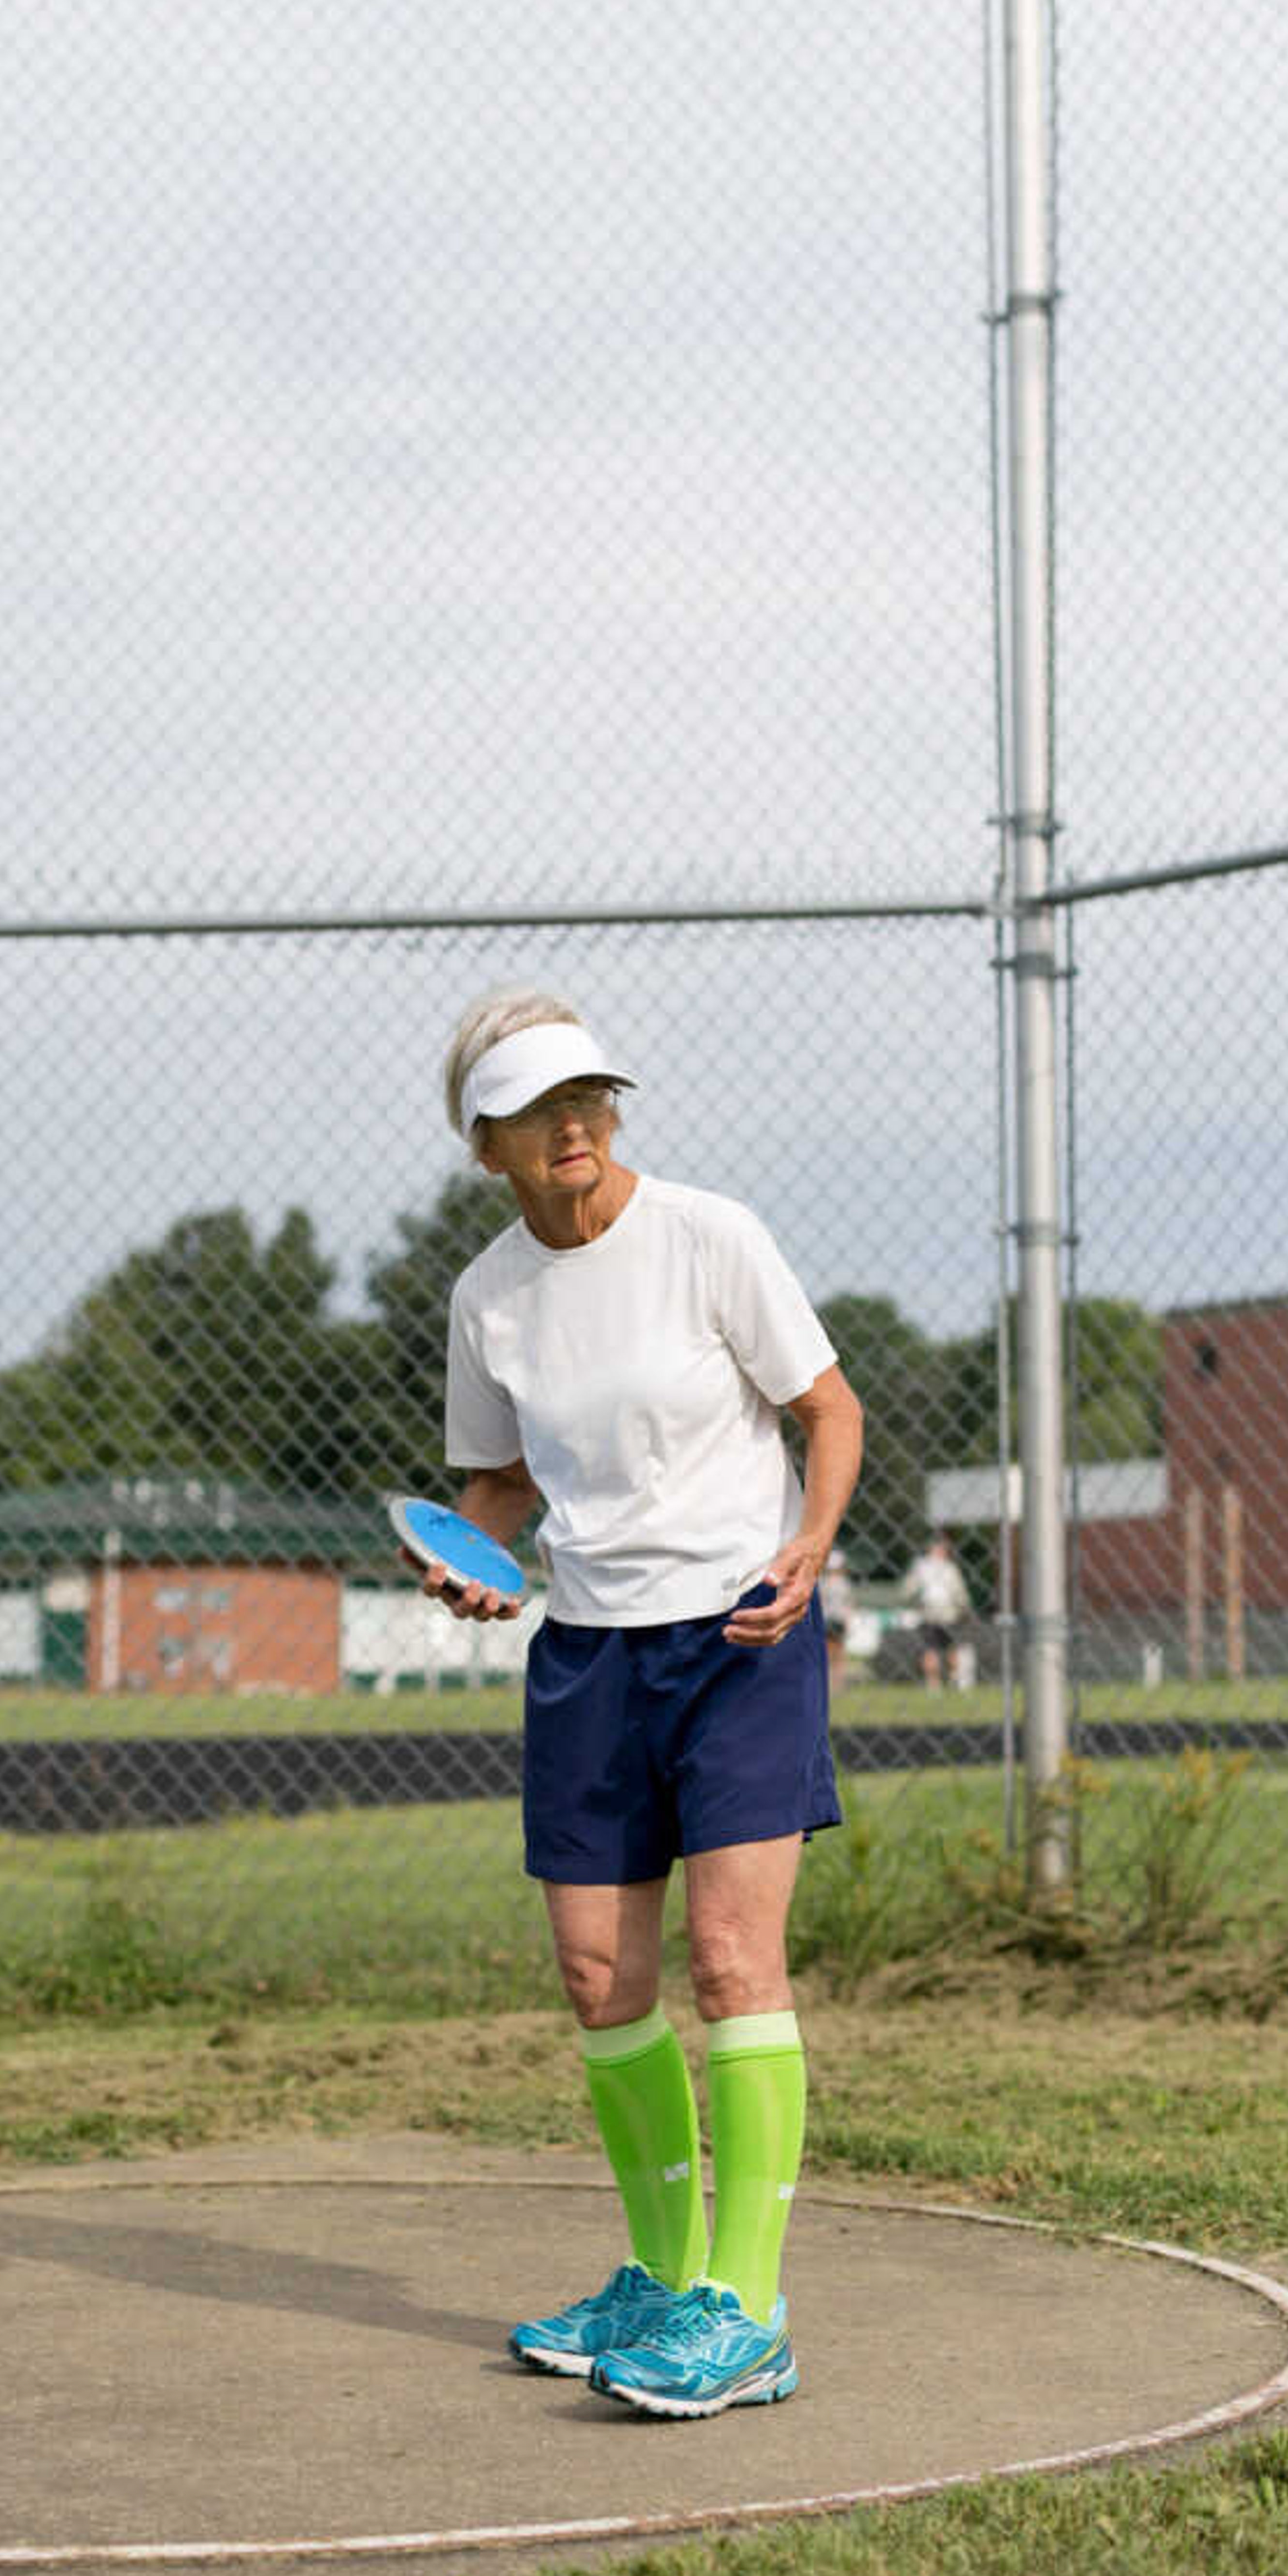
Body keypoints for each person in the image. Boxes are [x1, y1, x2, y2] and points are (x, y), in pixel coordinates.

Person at [409, 988, 863, 2419]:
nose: (577, 1128)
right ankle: (661, 2281)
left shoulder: (709, 1235)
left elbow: (828, 1410)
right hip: (590, 1657)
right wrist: (471, 1561)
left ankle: (744, 2310)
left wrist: (808, 1547)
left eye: (590, 1098)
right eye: (541, 1111)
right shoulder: (486, 1299)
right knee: (600, 1980)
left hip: (737, 1635)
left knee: (733, 1965)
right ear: (485, 1144)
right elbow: (498, 1481)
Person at [903, 1530, 970, 1691]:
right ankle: (948, 1681)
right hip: (945, 1614)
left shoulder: (922, 1567)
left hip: (935, 1613)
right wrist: (964, 1607)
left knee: (934, 1648)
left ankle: (936, 1684)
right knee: (944, 1648)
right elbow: (959, 1592)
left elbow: (908, 1589)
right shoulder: (948, 1568)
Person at [821, 1546, 854, 1696]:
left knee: (839, 1653)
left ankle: (838, 1684)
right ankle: (830, 1683)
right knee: (830, 1653)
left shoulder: (843, 1583)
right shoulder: (824, 1582)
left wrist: (848, 1620)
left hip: (838, 1620)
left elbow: (849, 1603)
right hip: (828, 1619)